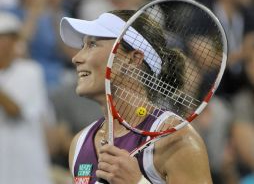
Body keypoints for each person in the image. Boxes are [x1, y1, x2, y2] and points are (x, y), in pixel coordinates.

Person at [60, 10, 213, 184]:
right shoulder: (79, 144)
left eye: (93, 45)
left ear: (133, 60)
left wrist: (138, 182)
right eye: (82, 46)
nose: (76, 58)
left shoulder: (176, 139)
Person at [0, 11, 53, 184]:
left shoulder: (31, 71)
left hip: (27, 164)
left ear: (14, 41)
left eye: (3, 38)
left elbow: (14, 110)